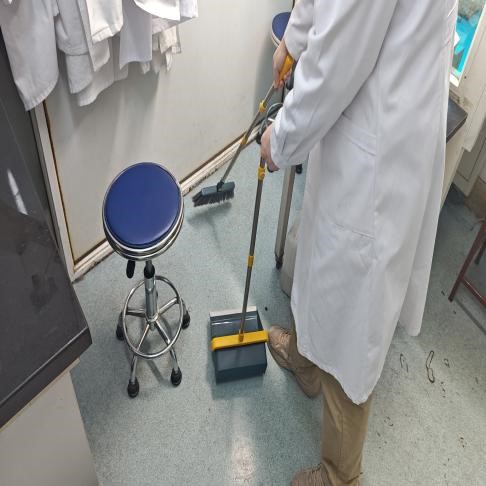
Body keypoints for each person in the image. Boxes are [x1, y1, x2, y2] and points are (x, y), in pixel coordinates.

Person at [259, 1, 459, 485]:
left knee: (353, 315)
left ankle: (339, 476)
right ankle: (306, 362)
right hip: (374, 115)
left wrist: (280, 140)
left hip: (380, 140)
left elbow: (337, 59)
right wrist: (294, 39)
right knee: (322, 262)